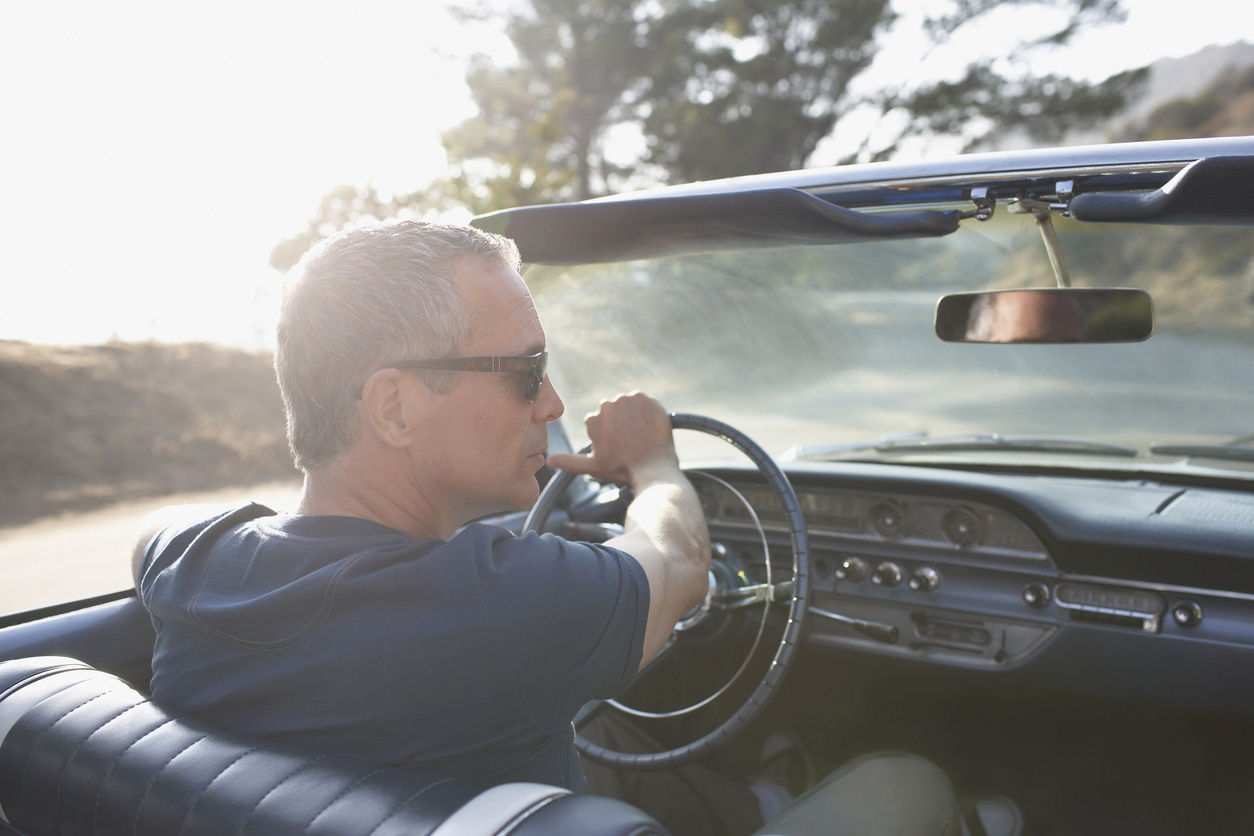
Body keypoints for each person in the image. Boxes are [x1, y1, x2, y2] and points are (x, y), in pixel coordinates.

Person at [132, 220, 973, 836]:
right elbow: (678, 557)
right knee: (910, 783)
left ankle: (753, 804)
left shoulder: (194, 557)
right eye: (524, 373)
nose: (552, 404)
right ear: (392, 406)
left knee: (593, 728)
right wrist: (651, 463)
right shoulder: (504, 604)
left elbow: (151, 537)